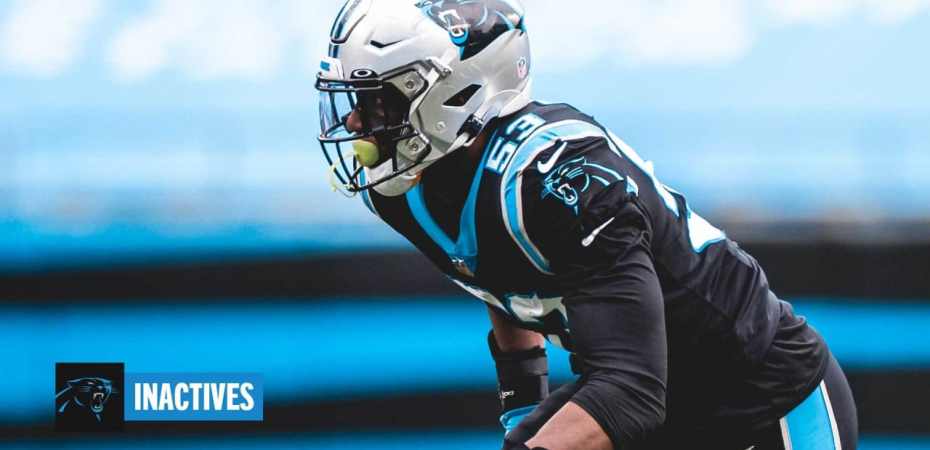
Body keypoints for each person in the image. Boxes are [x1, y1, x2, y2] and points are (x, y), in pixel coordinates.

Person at [315, 1, 858, 449]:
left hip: (762, 399)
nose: (357, 122)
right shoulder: (408, 187)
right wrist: (522, 406)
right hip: (658, 400)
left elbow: (630, 393)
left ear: (450, 95)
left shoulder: (558, 179)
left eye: (379, 101)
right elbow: (494, 274)